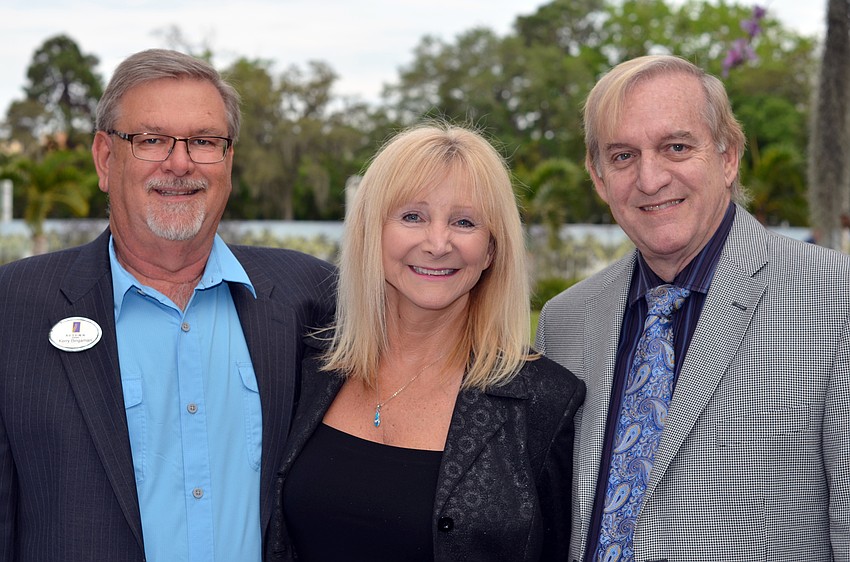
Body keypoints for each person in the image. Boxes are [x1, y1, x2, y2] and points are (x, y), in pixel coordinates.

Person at [0, 49, 335, 562]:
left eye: (203, 142)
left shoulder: (309, 298)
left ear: (228, 162)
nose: (179, 163)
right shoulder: (13, 308)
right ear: (105, 159)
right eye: (151, 140)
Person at [536, 54, 850, 562]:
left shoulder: (835, 299)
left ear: (728, 157)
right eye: (622, 156)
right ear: (598, 178)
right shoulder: (565, 320)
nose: (650, 178)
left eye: (676, 147)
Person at [267, 123, 585, 561]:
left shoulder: (544, 400)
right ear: (371, 233)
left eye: (464, 222)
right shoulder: (307, 366)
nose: (438, 243)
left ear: (492, 249)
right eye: (413, 216)